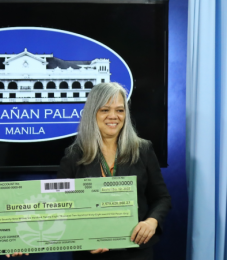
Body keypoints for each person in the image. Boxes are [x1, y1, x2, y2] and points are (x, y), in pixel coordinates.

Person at [57, 82, 171, 260]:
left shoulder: (143, 149)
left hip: (136, 252)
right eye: (105, 110)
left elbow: (161, 198)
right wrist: (83, 239)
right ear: (92, 113)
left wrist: (151, 221)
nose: (113, 116)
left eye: (120, 110)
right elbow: (61, 205)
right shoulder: (74, 155)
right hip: (92, 253)